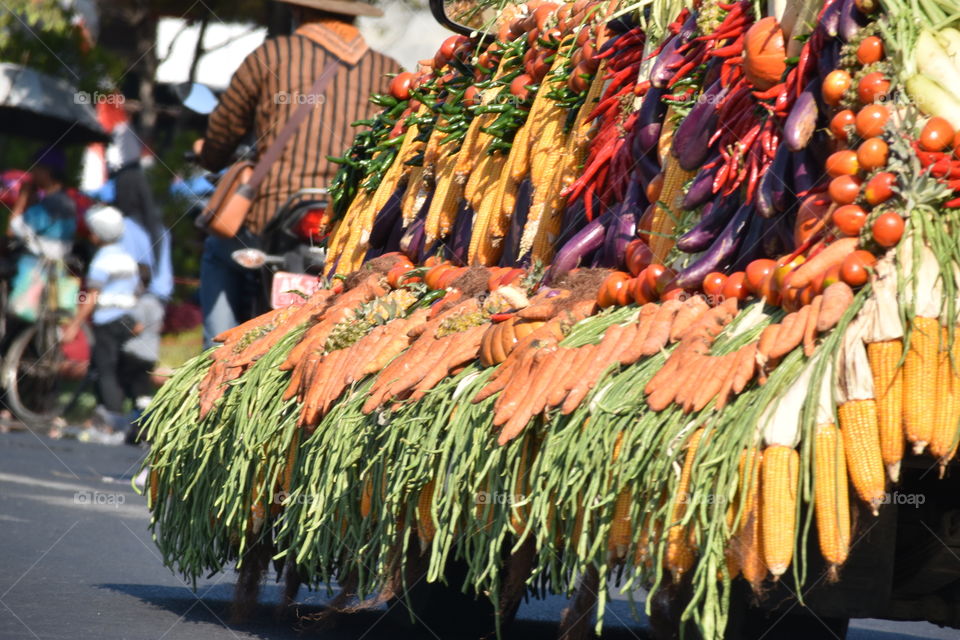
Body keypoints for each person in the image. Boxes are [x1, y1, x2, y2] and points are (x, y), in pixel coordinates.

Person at [195, 0, 402, 347]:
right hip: (349, 225)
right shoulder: (388, 70)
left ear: (298, 11)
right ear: (355, 15)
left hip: (273, 212)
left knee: (219, 250)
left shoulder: (270, 56)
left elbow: (223, 133)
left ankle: (214, 354)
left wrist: (210, 154)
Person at [62, 205, 153, 432]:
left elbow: (93, 296)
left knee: (106, 371)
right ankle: (131, 414)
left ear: (96, 234)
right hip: (128, 318)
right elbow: (137, 290)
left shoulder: (101, 261)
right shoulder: (127, 258)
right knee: (121, 367)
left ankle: (113, 419)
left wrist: (74, 324)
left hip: (108, 320)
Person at [7, 149, 77, 304]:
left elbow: (12, 231)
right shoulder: (68, 202)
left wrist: (23, 198)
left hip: (34, 270)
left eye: (36, 169)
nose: (32, 175)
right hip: (57, 269)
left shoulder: (51, 204)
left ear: (47, 172)